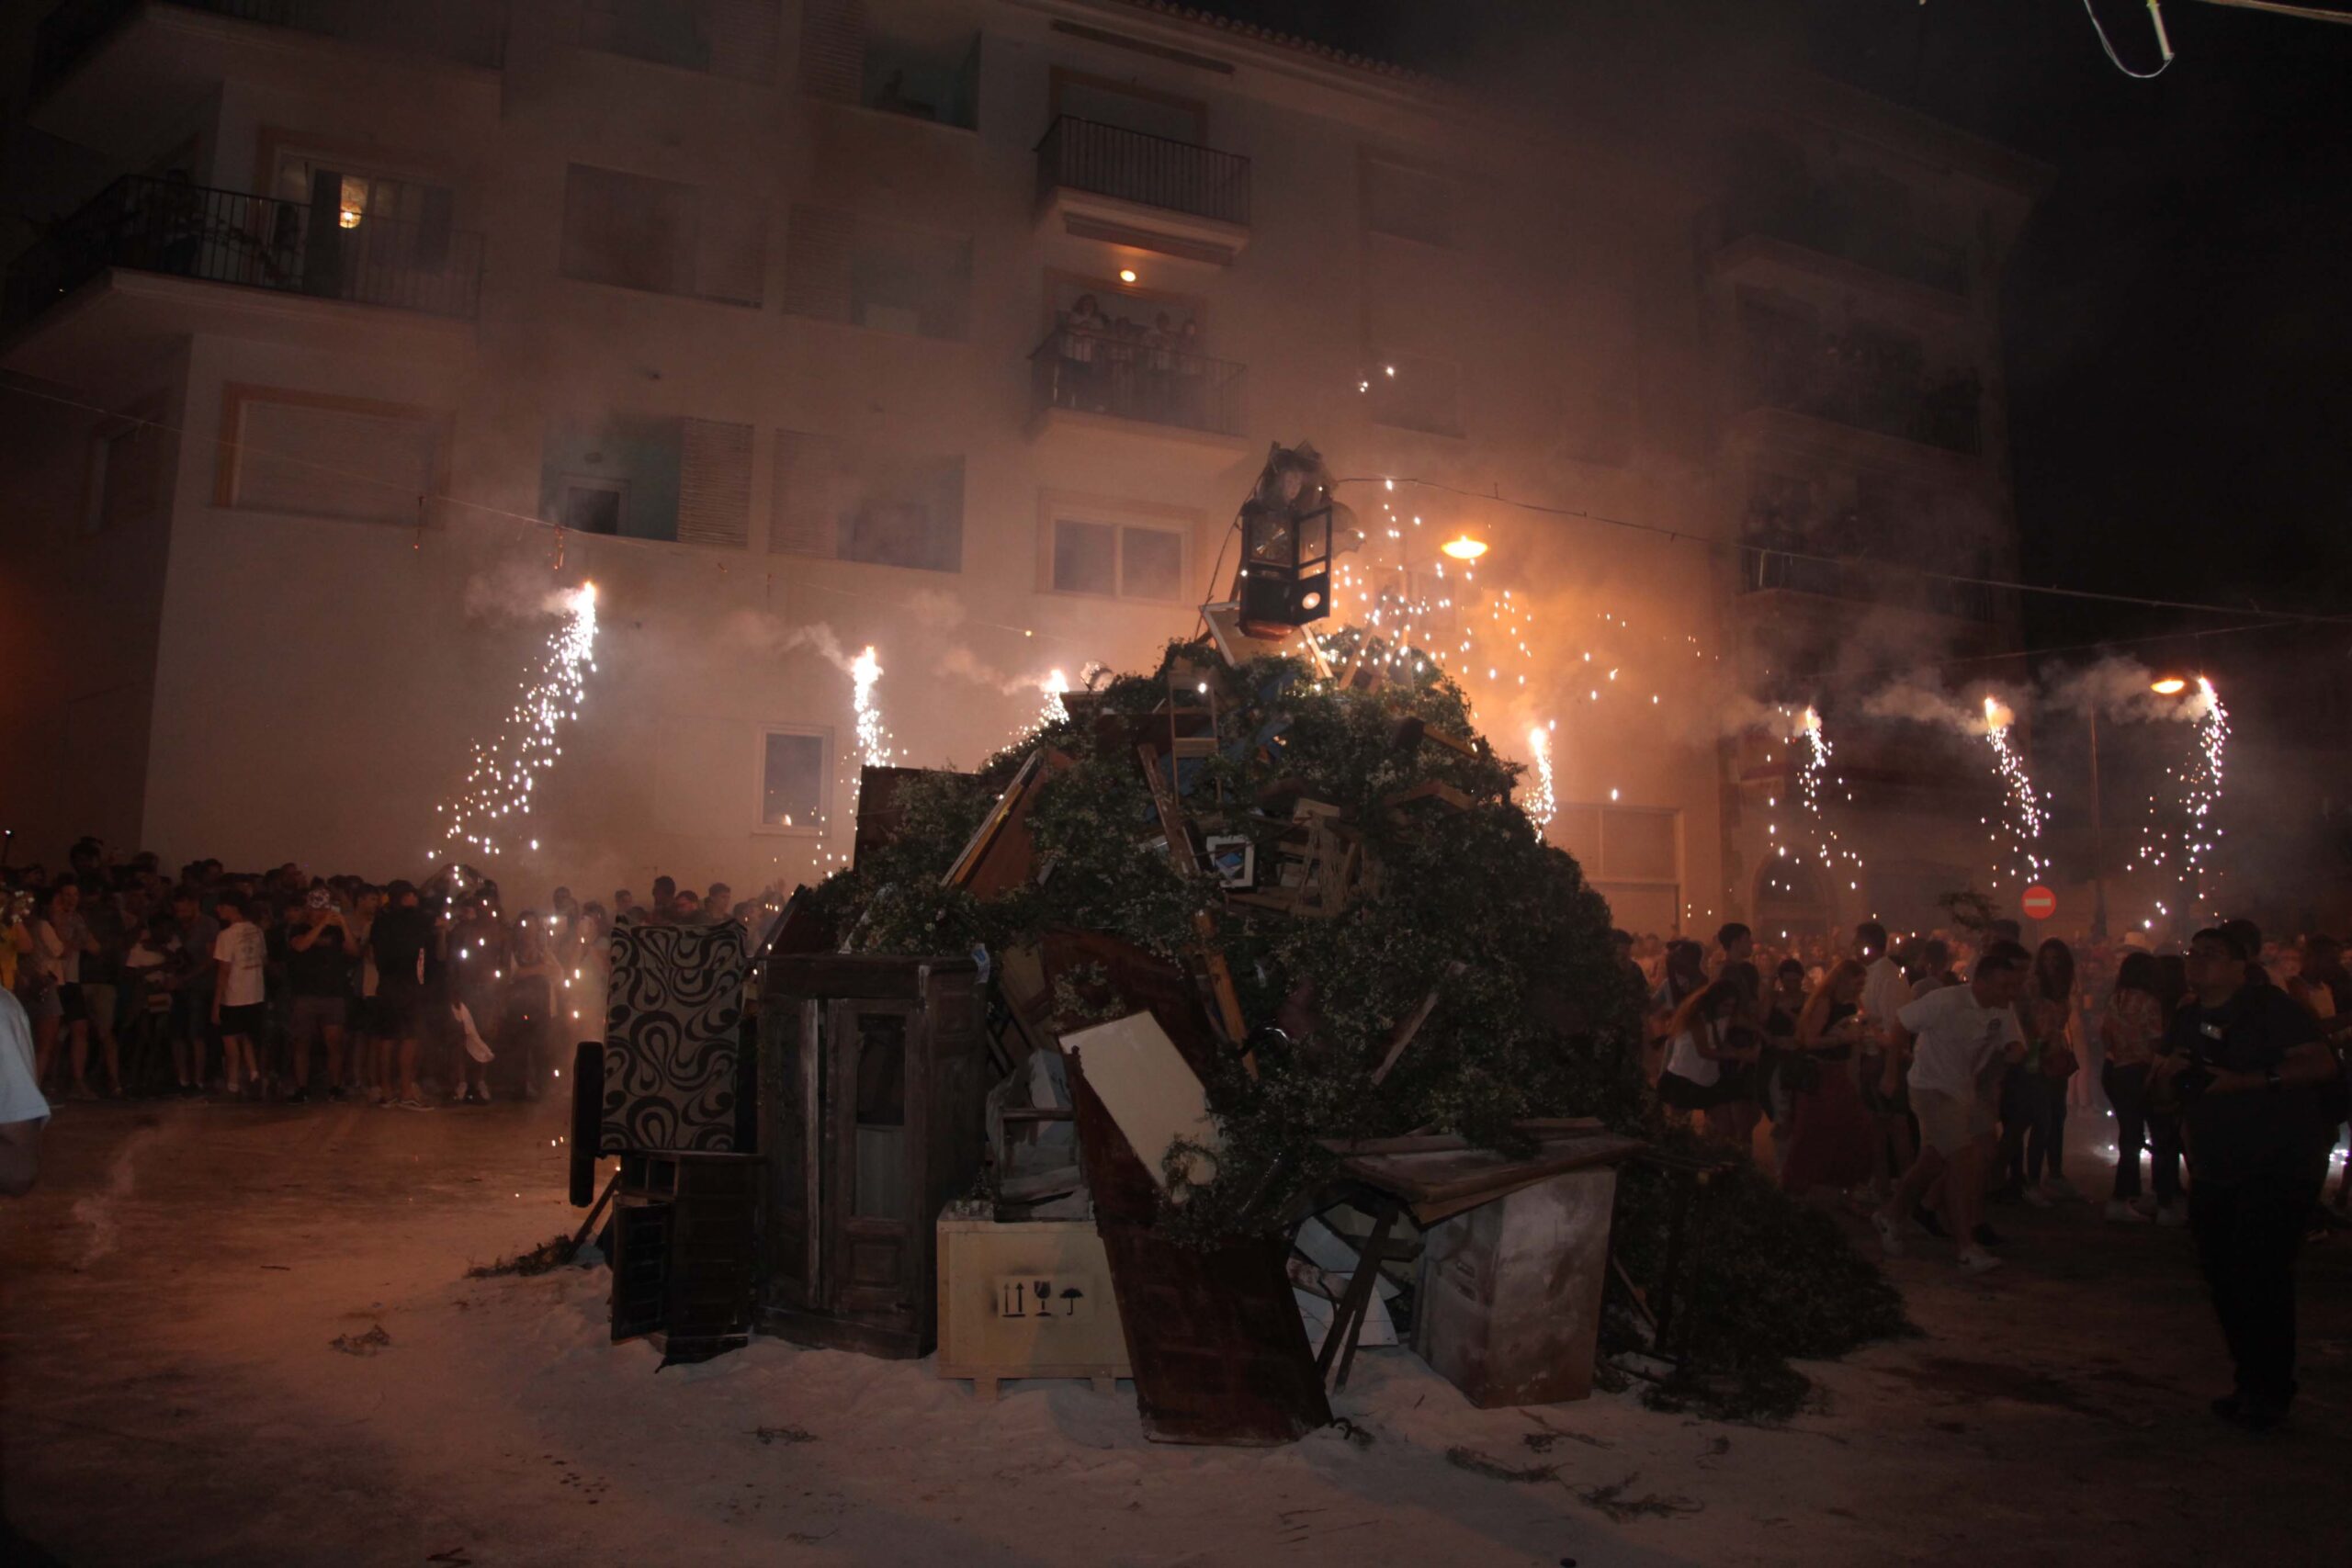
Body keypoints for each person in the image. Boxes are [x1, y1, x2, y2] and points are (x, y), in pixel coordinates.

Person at [2154, 926, 2343, 1429]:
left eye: (2212, 955)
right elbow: (2165, 1091)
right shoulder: (2188, 1017)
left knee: (2262, 1276)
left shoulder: (2270, 1009)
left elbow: (2322, 1062)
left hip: (2278, 1164)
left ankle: (2271, 1389)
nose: (2198, 962)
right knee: (2222, 1278)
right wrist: (2168, 1078)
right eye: (2193, 953)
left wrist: (2245, 1082)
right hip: (2217, 1168)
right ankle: (2249, 1381)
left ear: (2242, 966)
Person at [1873, 941, 2031, 1274]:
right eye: (2005, 985)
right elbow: (1901, 1025)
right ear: (1982, 982)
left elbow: (2013, 1041)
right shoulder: (1945, 1001)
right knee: (1964, 1158)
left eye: (2015, 985)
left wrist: (2014, 1053)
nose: (2011, 992)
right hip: (1931, 1088)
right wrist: (1890, 1074)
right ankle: (1965, 1246)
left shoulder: (2002, 1009)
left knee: (1950, 1156)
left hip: (1965, 1091)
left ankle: (1892, 1213)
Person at [1781, 959, 1878, 1196]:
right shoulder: (1825, 1003)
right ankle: (1798, 1185)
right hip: (1821, 1072)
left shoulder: (1854, 1003)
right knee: (1813, 1130)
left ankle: (1842, 1184)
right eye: (1858, 983)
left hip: (1840, 1070)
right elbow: (1809, 1040)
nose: (1861, 987)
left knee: (1853, 1127)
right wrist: (1841, 1039)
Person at [2003, 938, 2080, 1206]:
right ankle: (2030, 1179)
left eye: (2055, 960)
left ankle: (2049, 1174)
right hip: (2036, 1056)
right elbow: (2031, 1024)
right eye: (2046, 959)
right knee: (2040, 1119)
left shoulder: (2062, 987)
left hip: (2053, 1055)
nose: (2051, 965)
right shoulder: (2033, 986)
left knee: (2055, 1117)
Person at [2102, 950, 2177, 1224]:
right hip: (2143, 1071)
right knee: (2160, 1134)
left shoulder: (2115, 1000)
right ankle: (2161, 1199)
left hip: (2118, 1069)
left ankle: (2125, 1196)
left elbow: (2106, 1036)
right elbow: (2156, 1040)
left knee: (2129, 1135)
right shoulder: (2149, 1002)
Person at [1657, 980, 1758, 1145]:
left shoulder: (1724, 1017)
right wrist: (1740, 1056)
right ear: (1714, 1002)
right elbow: (1704, 1051)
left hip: (1708, 1078)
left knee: (1724, 1127)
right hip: (1684, 1077)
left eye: (1732, 1006)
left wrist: (1765, 1037)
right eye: (1726, 1005)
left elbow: (1723, 1040)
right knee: (1675, 1127)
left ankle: (1708, 1156)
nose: (1729, 1010)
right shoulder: (1696, 1018)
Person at [284, 887, 358, 1102]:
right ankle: (302, 1088)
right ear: (308, 909)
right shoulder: (298, 928)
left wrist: (342, 924)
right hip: (305, 994)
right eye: (316, 909)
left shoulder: (336, 931)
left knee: (334, 1043)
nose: (320, 913)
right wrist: (321, 925)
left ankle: (335, 1087)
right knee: (302, 1042)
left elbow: (354, 951)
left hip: (333, 993)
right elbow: (301, 946)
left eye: (323, 909)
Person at [369, 881, 433, 1108]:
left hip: (386, 984)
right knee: (409, 1037)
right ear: (405, 897)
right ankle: (406, 1090)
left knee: (388, 1039)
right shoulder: (413, 921)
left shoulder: (381, 921)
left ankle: (387, 1091)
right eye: (412, 895)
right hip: (407, 986)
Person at [210, 895, 267, 1097]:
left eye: (222, 905)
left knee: (230, 1038)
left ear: (233, 908)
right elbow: (263, 959)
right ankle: (254, 1073)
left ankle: (233, 1081)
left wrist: (216, 1003)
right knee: (249, 1036)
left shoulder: (226, 935)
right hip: (256, 993)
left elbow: (223, 971)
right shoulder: (257, 931)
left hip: (234, 995)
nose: (218, 909)